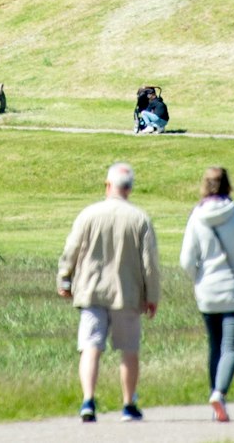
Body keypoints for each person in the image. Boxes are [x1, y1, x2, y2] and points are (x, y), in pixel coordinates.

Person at [57, 162, 160, 424]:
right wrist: (152, 295)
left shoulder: (88, 214)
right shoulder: (140, 219)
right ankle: (128, 404)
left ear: (108, 185)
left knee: (90, 346)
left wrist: (65, 279)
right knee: (128, 349)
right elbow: (150, 263)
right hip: (126, 293)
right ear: (130, 189)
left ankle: (88, 400)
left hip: (91, 291)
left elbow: (71, 250)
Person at [178, 166, 234, 423]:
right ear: (228, 185)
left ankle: (215, 397)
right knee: (230, 347)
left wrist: (198, 279)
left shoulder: (196, 216)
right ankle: (219, 393)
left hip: (207, 292)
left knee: (214, 346)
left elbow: (186, 259)